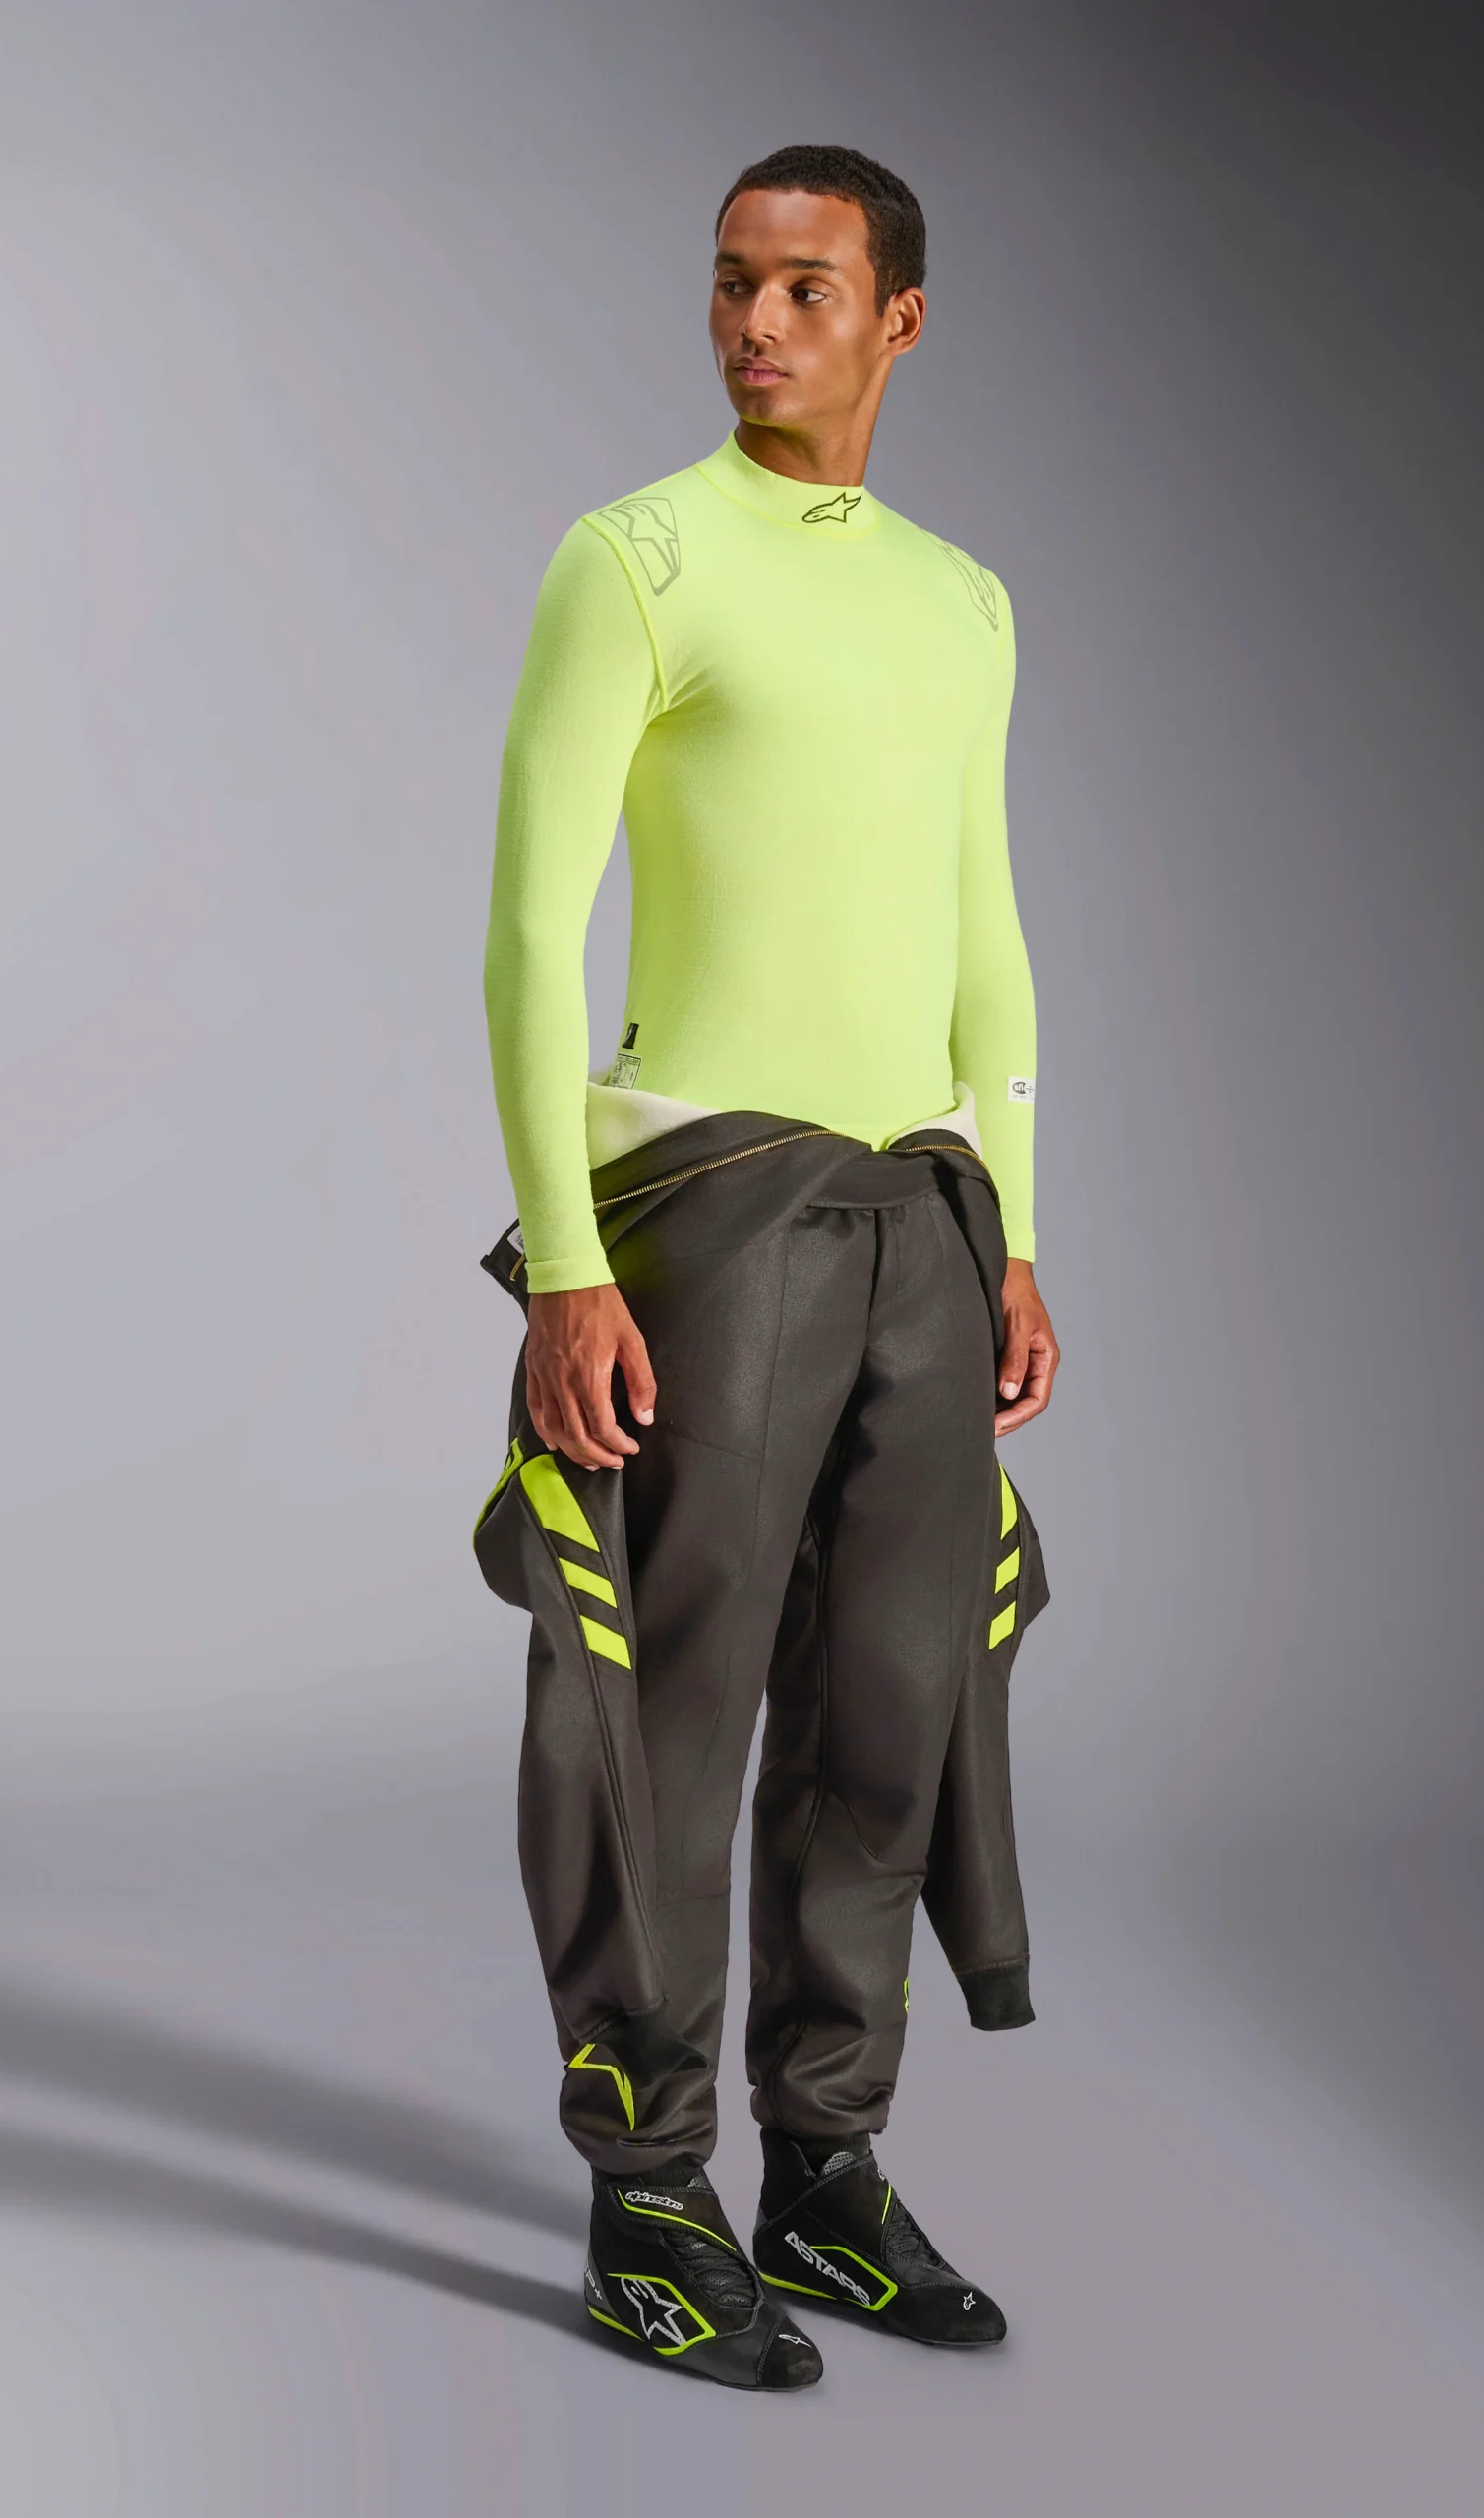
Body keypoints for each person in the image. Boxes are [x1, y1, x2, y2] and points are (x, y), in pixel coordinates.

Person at [478, 142, 1058, 2392]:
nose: (753, 323)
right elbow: (533, 932)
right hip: (711, 1213)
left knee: (889, 1710)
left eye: (805, 289)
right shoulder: (633, 559)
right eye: (732, 282)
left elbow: (985, 930)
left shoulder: (964, 601)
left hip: (925, 1218)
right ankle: (649, 2188)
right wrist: (566, 1262)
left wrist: (1021, 1232)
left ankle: (825, 2166)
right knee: (659, 1711)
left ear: (898, 318)